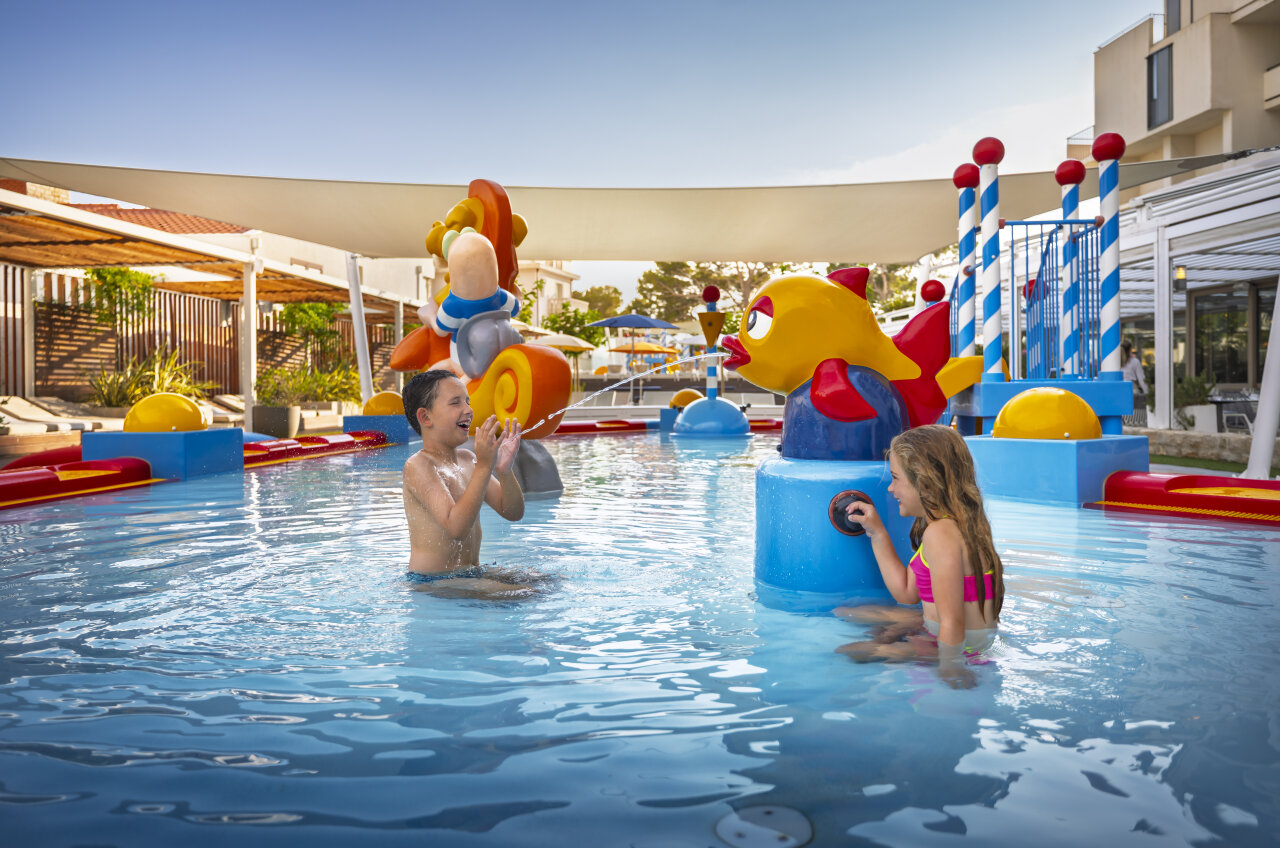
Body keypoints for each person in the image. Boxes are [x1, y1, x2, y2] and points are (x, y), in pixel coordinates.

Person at [834, 425, 1004, 688]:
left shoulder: (941, 534)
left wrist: (950, 671)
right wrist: (877, 532)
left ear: (924, 481)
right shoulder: (950, 525)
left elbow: (952, 621)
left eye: (895, 478)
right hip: (961, 640)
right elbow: (906, 593)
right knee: (848, 613)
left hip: (961, 650)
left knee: (849, 651)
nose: (890, 489)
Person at [401, 369, 535, 598]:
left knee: (550, 582)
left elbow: (513, 512)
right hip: (433, 581)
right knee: (523, 594)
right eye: (455, 402)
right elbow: (456, 528)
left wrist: (504, 471)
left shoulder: (468, 460)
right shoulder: (418, 466)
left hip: (469, 573)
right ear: (425, 417)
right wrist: (484, 466)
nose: (468, 409)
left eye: (467, 401)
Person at [1122, 341, 1148, 426]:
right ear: (1130, 350)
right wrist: (1147, 393)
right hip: (1132, 392)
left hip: (1119, 394)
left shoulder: (1115, 363)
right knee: (1133, 418)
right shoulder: (1135, 362)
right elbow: (1142, 380)